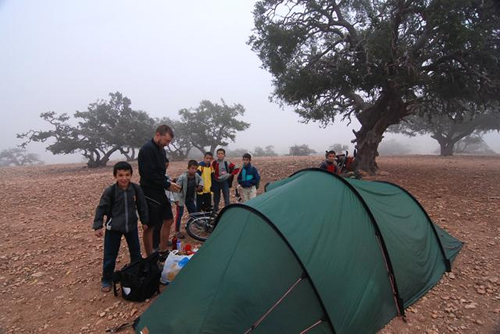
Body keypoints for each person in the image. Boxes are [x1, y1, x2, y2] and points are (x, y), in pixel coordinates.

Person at [92, 161, 149, 292]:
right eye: (121, 175)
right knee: (110, 255)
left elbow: (142, 205)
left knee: (135, 253)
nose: (124, 178)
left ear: (131, 175)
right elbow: (101, 208)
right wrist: (98, 226)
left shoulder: (136, 188)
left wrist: (145, 221)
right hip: (114, 228)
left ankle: (136, 274)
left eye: (127, 175)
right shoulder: (110, 191)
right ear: (115, 176)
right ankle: (106, 279)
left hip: (131, 227)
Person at [138, 125, 181, 256]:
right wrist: (167, 185)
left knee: (168, 220)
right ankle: (150, 255)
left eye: (169, 142)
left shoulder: (161, 150)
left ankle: (163, 251)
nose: (167, 144)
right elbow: (148, 173)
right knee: (150, 226)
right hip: (149, 191)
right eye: (166, 141)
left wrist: (169, 182)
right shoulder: (147, 149)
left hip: (160, 189)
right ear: (158, 135)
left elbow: (161, 172)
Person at [174, 160, 204, 237]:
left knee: (193, 212)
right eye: (192, 168)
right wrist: (176, 199)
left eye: (195, 169)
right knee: (179, 214)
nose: (194, 170)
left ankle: (197, 224)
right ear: (188, 168)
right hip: (181, 197)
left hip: (190, 197)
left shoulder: (196, 175)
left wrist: (200, 185)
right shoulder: (182, 177)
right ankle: (177, 231)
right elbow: (176, 188)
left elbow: (201, 180)